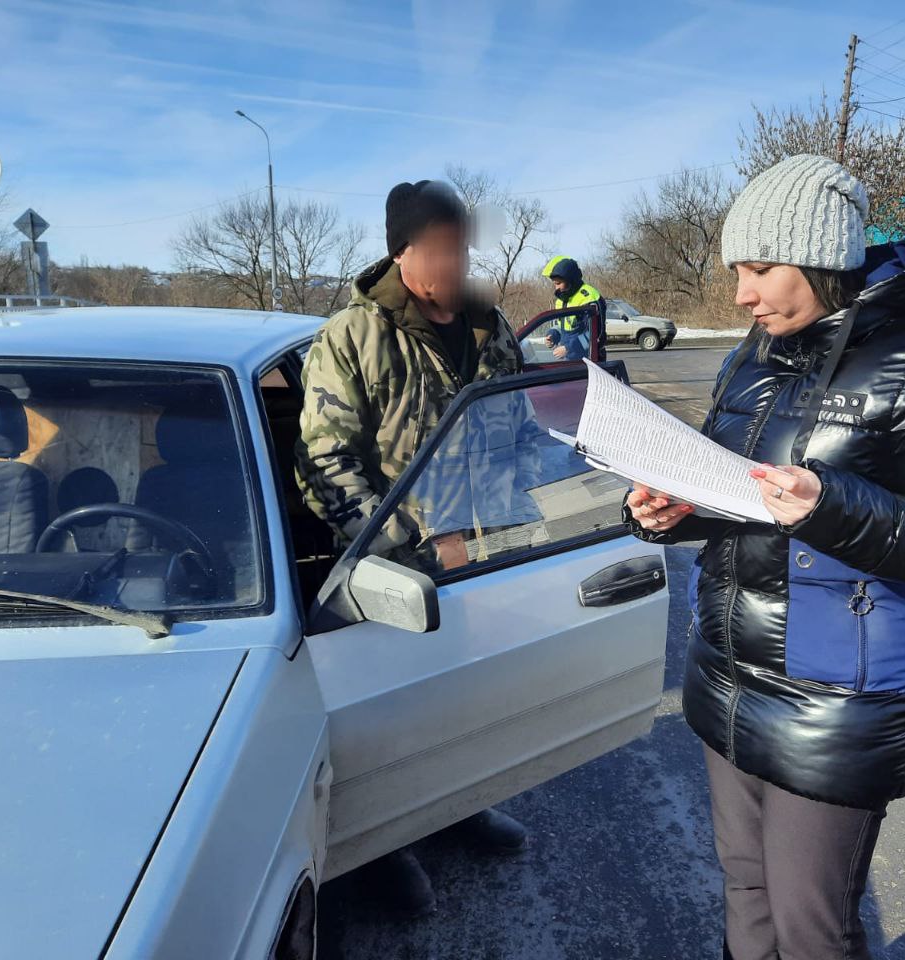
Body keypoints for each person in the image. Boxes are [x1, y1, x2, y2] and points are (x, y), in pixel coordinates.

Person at [625, 155, 905, 960]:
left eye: (760, 268)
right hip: (729, 668)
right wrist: (673, 510)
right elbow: (738, 490)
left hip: (836, 696)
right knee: (744, 888)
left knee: (811, 928)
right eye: (738, 269)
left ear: (821, 259)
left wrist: (832, 504)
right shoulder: (753, 354)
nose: (741, 292)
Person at [295, 179, 530, 918]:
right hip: (405, 570)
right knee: (399, 715)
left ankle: (463, 807)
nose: (455, 262)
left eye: (461, 246)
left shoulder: (493, 329)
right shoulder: (353, 337)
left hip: (491, 557)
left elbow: (521, 434)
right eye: (439, 248)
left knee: (474, 697)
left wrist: (527, 529)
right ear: (401, 251)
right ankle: (386, 846)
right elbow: (323, 463)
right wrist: (405, 546)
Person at [541, 255, 606, 360]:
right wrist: (553, 335)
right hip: (571, 361)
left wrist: (569, 348)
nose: (556, 288)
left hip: (590, 362)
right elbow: (563, 327)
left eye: (558, 283)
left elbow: (596, 335)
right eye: (554, 284)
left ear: (570, 280)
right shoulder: (562, 299)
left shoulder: (589, 297)